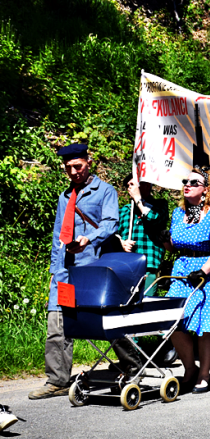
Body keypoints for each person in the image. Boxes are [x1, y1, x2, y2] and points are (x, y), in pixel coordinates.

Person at [29, 144, 119, 400]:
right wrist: (54, 272)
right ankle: (57, 380)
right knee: (58, 323)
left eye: (77, 166)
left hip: (93, 270)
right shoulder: (64, 196)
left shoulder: (105, 191)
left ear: (88, 162)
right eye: (68, 168)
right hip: (66, 272)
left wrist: (88, 239)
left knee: (105, 322)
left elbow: (110, 223)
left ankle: (134, 364)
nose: (73, 172)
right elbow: (59, 236)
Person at [166, 166, 210, 393]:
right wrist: (162, 238)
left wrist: (203, 271)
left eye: (194, 182)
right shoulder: (178, 214)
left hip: (209, 274)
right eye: (186, 181)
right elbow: (174, 244)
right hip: (182, 270)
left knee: (206, 326)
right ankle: (190, 368)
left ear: (206, 190)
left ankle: (204, 374)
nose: (187, 184)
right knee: (173, 321)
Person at [118, 175, 169, 295]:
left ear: (147, 185)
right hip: (126, 265)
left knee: (145, 302)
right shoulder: (124, 210)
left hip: (149, 264)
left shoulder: (160, 205)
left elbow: (152, 218)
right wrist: (122, 242)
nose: (131, 188)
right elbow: (114, 233)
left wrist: (138, 200)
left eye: (134, 185)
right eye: (128, 185)